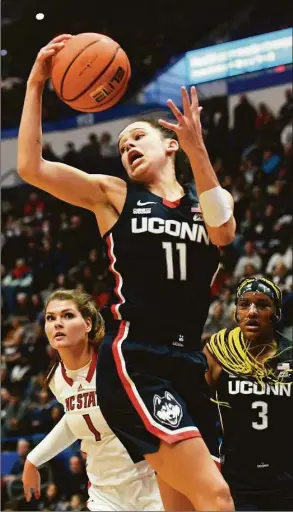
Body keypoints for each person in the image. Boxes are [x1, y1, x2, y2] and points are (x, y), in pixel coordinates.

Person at [18, 34, 236, 511]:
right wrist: (36, 84)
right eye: (121, 145)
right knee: (217, 498)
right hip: (136, 359)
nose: (127, 147)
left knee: (182, 506)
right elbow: (30, 167)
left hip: (189, 364)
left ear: (170, 144)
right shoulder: (114, 195)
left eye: (137, 136)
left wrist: (199, 149)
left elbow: (224, 234)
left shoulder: (207, 206)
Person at [22, 289, 163, 511]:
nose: (58, 323)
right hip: (104, 492)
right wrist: (33, 460)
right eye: (51, 318)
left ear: (88, 324)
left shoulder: (117, 361)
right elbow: (75, 419)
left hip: (152, 485)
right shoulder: (56, 378)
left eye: (68, 316)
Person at [203, 277, 293, 511]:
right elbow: (195, 410)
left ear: (276, 313)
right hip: (236, 479)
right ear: (236, 311)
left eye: (262, 305)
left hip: (286, 480)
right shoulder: (217, 353)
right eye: (244, 304)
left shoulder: (290, 356)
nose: (252, 312)